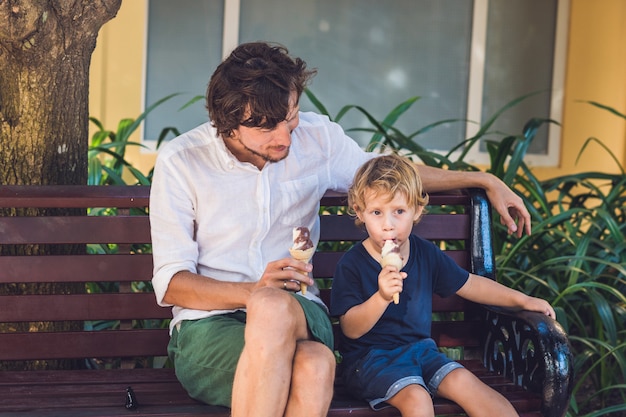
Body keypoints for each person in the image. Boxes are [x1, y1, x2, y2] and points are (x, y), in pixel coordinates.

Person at [149, 41, 533, 417]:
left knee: (275, 307)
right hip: (209, 328)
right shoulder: (183, 162)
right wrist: (254, 292)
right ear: (227, 122)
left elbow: (390, 175)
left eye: (291, 117)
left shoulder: (317, 139)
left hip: (301, 311)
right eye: (266, 127)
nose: (284, 137)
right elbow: (172, 283)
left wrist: (483, 179)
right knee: (314, 364)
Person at [329, 154, 555, 417]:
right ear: (360, 212)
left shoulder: (425, 253)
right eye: (377, 213)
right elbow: (350, 329)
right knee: (417, 398)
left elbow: (470, 284)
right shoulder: (352, 264)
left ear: (416, 211)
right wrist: (381, 297)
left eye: (399, 211)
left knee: (469, 385)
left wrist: (523, 301)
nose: (388, 225)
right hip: (370, 361)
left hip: (422, 353)